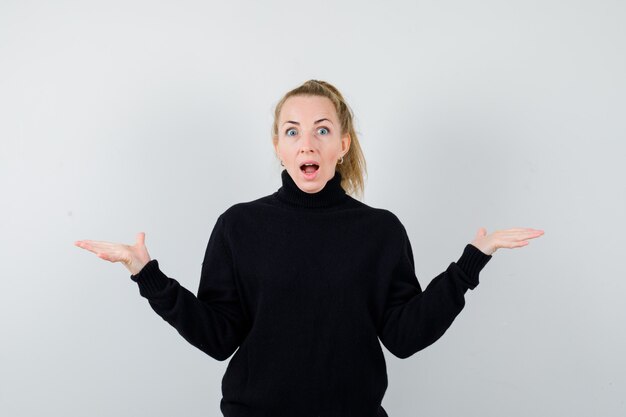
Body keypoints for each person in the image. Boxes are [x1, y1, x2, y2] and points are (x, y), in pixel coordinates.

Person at [75, 79, 544, 417]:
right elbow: (219, 338)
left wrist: (469, 264)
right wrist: (147, 275)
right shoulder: (239, 226)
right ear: (278, 146)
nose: (308, 142)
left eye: (322, 129)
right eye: (293, 130)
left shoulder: (379, 231)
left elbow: (403, 336)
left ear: (343, 144)